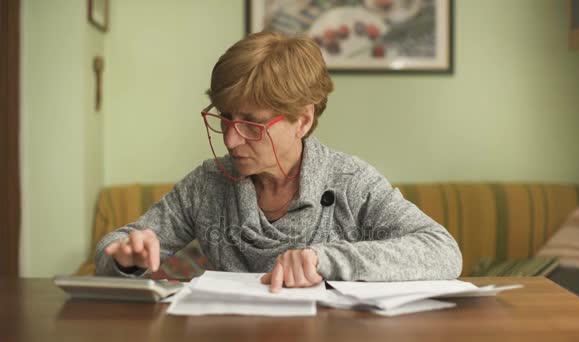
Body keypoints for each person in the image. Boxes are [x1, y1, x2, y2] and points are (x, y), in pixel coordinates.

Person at [95, 31, 462, 292]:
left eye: (252, 124)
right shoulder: (207, 184)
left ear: (302, 120)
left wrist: (326, 260)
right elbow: (114, 246)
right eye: (225, 118)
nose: (232, 138)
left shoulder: (350, 182)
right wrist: (128, 256)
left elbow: (441, 250)